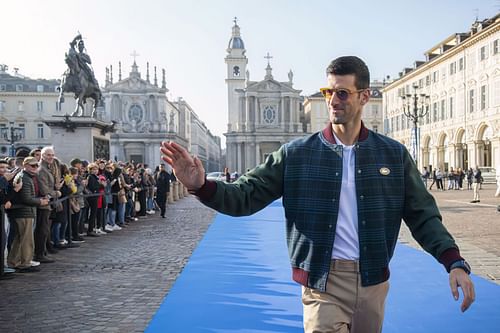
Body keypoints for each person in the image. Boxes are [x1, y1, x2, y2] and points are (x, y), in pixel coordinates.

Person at [161, 56, 475, 333]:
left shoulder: (392, 155)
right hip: (322, 281)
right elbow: (246, 195)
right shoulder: (296, 154)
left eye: (342, 93)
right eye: (328, 92)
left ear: (364, 96)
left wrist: (453, 261)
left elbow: (423, 215)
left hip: (373, 280)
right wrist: (201, 185)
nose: (333, 100)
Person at [6, 157, 49, 272]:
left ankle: (14, 262)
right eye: (32, 165)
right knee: (26, 240)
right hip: (23, 213)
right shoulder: (24, 177)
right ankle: (24, 263)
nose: (35, 167)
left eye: (36, 165)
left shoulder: (28, 177)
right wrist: (40, 201)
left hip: (25, 212)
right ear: (25, 165)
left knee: (20, 239)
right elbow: (26, 198)